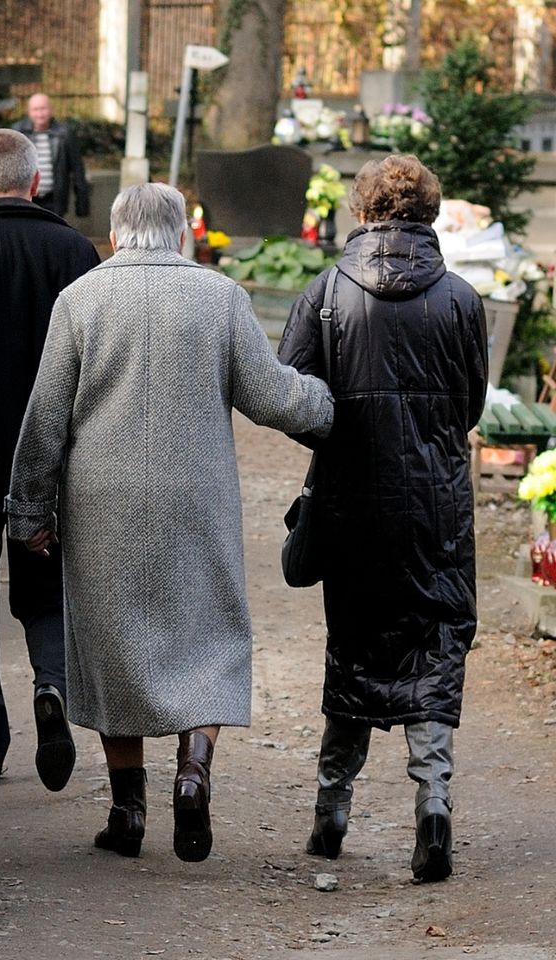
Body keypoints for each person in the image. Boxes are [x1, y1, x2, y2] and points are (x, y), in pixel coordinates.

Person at [6, 182, 333, 863]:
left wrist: (30, 512)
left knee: (108, 644)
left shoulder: (81, 300)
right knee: (208, 634)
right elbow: (273, 397)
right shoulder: (220, 298)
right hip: (197, 496)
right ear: (181, 233)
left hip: (102, 501)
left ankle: (128, 810)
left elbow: (44, 422)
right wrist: (330, 405)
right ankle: (194, 770)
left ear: (118, 236)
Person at [278, 154, 487, 883]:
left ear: (363, 212)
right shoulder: (461, 298)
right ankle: (433, 807)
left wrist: (340, 437)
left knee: (356, 649)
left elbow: (296, 403)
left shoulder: (325, 293)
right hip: (437, 507)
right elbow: (472, 406)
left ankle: (331, 813)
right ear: (427, 214)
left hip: (351, 501)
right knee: (434, 644)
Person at [0, 129, 100, 791]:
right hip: (53, 456)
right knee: (45, 591)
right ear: (35, 181)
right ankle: (52, 687)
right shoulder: (74, 250)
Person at [11, 93, 90, 220]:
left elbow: (77, 169)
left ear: (51, 110)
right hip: (27, 198)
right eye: (35, 109)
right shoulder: (18, 132)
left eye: (43, 108)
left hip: (55, 199)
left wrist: (82, 204)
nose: (40, 114)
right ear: (28, 112)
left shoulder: (65, 133)